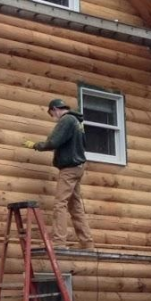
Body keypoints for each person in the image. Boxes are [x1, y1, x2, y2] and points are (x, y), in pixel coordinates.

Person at [23, 98, 95, 250]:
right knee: (75, 206)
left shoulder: (66, 120)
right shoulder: (77, 121)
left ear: (55, 109)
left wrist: (35, 145)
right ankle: (87, 243)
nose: (53, 117)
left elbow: (53, 142)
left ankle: (59, 242)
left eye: (52, 114)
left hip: (69, 168)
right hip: (79, 167)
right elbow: (84, 144)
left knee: (60, 204)